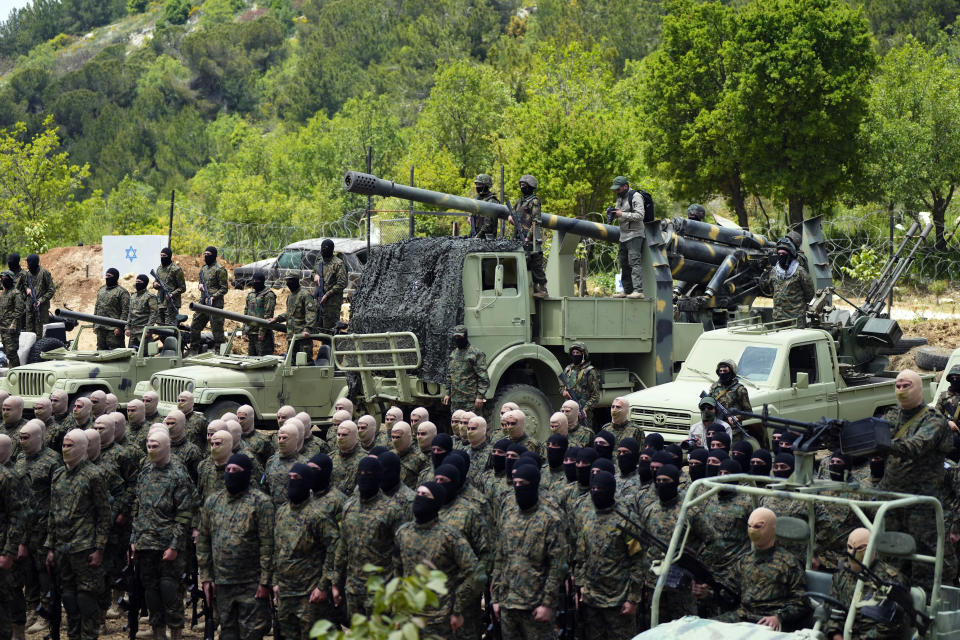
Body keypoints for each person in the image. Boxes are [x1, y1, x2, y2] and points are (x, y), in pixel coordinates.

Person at [880, 369, 954, 590]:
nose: (901, 390)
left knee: (926, 561)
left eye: (907, 386)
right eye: (898, 386)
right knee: (891, 558)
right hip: (893, 501)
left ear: (919, 388)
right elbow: (874, 433)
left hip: (922, 504)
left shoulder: (934, 420)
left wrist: (883, 444)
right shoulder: (891, 416)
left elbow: (917, 446)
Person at [196, 453, 275, 640]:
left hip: (251, 583)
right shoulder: (213, 502)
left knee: (252, 633)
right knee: (228, 633)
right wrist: (206, 577)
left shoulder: (261, 503)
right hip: (222, 583)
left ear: (246, 474)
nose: (231, 474)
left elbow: (268, 545)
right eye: (228, 470)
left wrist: (265, 581)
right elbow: (204, 541)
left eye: (236, 471)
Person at [44, 429, 111, 640]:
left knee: (86, 598)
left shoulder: (94, 475)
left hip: (85, 547)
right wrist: (50, 546)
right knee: (69, 598)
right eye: (64, 445)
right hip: (63, 547)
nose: (65, 449)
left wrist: (99, 548)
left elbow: (104, 515)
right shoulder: (58, 474)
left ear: (82, 447)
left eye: (70, 445)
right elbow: (53, 512)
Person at [396, 482, 482, 638]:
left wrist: (457, 607)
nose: (419, 498)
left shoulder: (449, 536)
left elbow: (476, 574)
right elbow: (396, 570)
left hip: (438, 619)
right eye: (418, 494)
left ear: (435, 502)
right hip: (408, 616)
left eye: (425, 495)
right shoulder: (403, 533)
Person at [131, 429, 195, 640]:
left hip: (167, 544)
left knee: (169, 590)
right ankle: (157, 632)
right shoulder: (145, 470)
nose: (151, 450)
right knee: (151, 592)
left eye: (155, 446)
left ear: (166, 447)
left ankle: (175, 632)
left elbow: (184, 513)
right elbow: (138, 507)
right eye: (148, 446)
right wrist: (134, 539)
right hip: (145, 543)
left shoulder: (178, 474)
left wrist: (175, 546)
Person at [491, 462, 566, 639]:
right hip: (509, 603)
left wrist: (548, 604)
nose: (518, 488)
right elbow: (500, 559)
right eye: (515, 483)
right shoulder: (508, 515)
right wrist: (496, 598)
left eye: (523, 484)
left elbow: (558, 566)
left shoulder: (550, 519)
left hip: (536, 605)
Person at [706, 507, 807, 630]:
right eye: (749, 526)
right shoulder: (744, 561)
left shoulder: (788, 562)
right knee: (705, 628)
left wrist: (778, 617)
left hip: (768, 621)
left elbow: (801, 601)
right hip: (742, 617)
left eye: (758, 526)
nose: (752, 531)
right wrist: (708, 593)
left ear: (771, 528)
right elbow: (729, 593)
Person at [331, 457, 407, 616]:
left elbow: (402, 552)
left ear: (378, 477)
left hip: (381, 590)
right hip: (353, 590)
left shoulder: (392, 510)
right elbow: (342, 548)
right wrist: (336, 583)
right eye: (361, 473)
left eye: (369, 474)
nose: (364, 477)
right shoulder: (349, 507)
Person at [273, 463, 338, 640]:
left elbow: (334, 549)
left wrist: (323, 586)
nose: (292, 482)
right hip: (286, 593)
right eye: (290, 478)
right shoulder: (281, 512)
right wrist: (275, 582)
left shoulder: (318, 515)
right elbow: (277, 549)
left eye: (297, 478)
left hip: (310, 595)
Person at [574, 470, 642, 640]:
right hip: (592, 600)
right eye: (593, 488)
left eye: (600, 489)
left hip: (618, 601)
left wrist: (632, 599)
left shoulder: (626, 520)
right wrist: (581, 585)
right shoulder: (588, 518)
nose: (596, 492)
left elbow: (638, 561)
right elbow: (582, 556)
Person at [15, 420, 60, 636]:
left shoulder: (52, 461)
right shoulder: (20, 459)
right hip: (24, 527)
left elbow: (58, 497)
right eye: (20, 438)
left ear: (38, 438)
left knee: (45, 572)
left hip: (44, 527)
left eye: (26, 438)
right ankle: (32, 609)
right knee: (28, 571)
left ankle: (46, 613)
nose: (22, 442)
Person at [827, 528, 910, 640]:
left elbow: (888, 627)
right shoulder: (842, 575)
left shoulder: (889, 580)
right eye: (850, 547)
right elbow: (832, 611)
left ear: (873, 548)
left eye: (860, 548)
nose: (853, 553)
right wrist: (836, 635)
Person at [761, 236, 815, 327]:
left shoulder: (800, 272)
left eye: (784, 253)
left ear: (791, 254)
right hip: (778, 319)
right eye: (779, 253)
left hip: (795, 320)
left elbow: (809, 294)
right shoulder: (774, 272)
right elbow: (772, 291)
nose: (781, 255)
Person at [512, 174, 548, 299]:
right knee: (522, 264)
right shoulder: (520, 201)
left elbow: (535, 220)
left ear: (530, 186)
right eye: (521, 185)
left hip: (529, 237)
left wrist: (528, 237)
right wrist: (512, 218)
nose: (522, 187)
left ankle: (542, 289)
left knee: (535, 263)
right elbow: (514, 216)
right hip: (518, 237)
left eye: (524, 185)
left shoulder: (534, 201)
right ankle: (530, 289)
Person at [189, 246, 229, 354]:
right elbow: (201, 282)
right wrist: (200, 286)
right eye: (205, 254)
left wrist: (213, 296)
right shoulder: (203, 269)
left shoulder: (220, 269)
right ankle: (193, 349)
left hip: (215, 304)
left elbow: (224, 288)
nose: (206, 256)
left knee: (217, 330)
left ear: (214, 256)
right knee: (195, 326)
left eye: (208, 254)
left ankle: (219, 352)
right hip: (203, 302)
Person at [442, 325, 489, 414]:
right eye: (456, 336)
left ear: (465, 336)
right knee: (456, 425)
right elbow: (449, 375)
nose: (457, 338)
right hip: (455, 400)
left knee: (473, 425)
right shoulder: (454, 353)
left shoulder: (475, 353)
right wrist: (447, 393)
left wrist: (480, 396)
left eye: (460, 336)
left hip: (470, 400)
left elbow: (483, 377)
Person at [270, 275, 316, 361]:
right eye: (287, 281)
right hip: (292, 336)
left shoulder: (305, 295)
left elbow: (311, 313)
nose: (288, 283)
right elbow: (290, 314)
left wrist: (307, 329)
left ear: (296, 281)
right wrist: (277, 319)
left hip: (302, 337)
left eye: (290, 281)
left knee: (305, 362)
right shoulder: (291, 296)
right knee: (291, 362)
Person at [558, 342, 600, 429]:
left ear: (583, 354)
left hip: (583, 412)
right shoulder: (568, 369)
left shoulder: (589, 371)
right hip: (568, 412)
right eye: (573, 353)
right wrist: (564, 391)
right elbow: (561, 387)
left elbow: (595, 396)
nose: (575, 355)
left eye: (578, 353)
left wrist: (585, 409)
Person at [312, 239, 347, 334]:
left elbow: (342, 283)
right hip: (318, 302)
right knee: (317, 331)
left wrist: (327, 295)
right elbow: (313, 272)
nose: (323, 251)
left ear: (331, 250)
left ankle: (329, 349)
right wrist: (315, 275)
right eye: (322, 249)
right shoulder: (319, 260)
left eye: (326, 249)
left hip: (331, 305)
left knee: (329, 332)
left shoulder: (338, 264)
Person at [94, 267, 130, 350]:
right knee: (101, 352)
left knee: (115, 352)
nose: (107, 277)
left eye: (109, 275)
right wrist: (95, 324)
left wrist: (120, 327)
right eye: (106, 275)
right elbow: (97, 307)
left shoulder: (122, 292)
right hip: (101, 328)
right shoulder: (101, 290)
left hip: (113, 330)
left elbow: (126, 311)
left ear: (115, 277)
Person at [242, 273, 276, 356]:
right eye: (253, 281)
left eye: (257, 281)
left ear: (262, 282)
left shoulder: (269, 295)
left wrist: (262, 332)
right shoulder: (251, 295)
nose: (255, 283)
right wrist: (244, 331)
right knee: (251, 360)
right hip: (251, 333)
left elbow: (268, 315)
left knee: (263, 360)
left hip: (262, 336)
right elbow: (246, 313)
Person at [23, 253, 55, 333]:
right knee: (29, 335)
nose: (28, 265)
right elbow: (24, 286)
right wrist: (27, 289)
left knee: (41, 334)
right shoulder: (27, 274)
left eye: (29, 263)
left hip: (41, 310)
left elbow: (51, 290)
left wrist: (40, 300)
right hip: (29, 310)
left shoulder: (44, 273)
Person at [154, 247, 186, 326]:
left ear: (169, 256)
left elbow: (182, 287)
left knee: (170, 329)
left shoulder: (176, 269)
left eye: (164, 255)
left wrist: (172, 294)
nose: (162, 257)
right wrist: (155, 284)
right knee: (160, 328)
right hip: (160, 303)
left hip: (171, 304)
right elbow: (155, 282)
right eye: (161, 255)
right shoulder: (159, 269)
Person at [126, 274, 158, 350]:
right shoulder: (133, 296)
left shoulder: (150, 297)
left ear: (145, 283)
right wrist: (127, 327)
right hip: (133, 333)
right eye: (136, 281)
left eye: (139, 281)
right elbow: (130, 314)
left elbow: (154, 314)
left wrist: (148, 329)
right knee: (132, 354)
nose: (137, 283)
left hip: (143, 332)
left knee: (145, 355)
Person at [0, 271, 24, 368]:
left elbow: (19, 310)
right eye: (1, 277)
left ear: (10, 279)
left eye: (5, 277)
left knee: (11, 352)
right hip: (3, 327)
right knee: (6, 351)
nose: (2, 279)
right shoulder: (4, 293)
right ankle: (12, 371)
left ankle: (17, 374)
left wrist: (13, 323)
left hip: (11, 328)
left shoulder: (16, 293)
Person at [471, 174, 500, 239]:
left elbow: (488, 224)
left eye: (480, 184)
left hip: (487, 239)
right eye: (476, 184)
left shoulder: (492, 201)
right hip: (477, 237)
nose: (477, 187)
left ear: (486, 185)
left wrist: (478, 236)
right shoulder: (478, 200)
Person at [937, 364, 960, 432]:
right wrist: (947, 422)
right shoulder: (944, 396)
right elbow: (935, 416)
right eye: (952, 378)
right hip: (950, 435)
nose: (955, 380)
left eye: (958, 378)